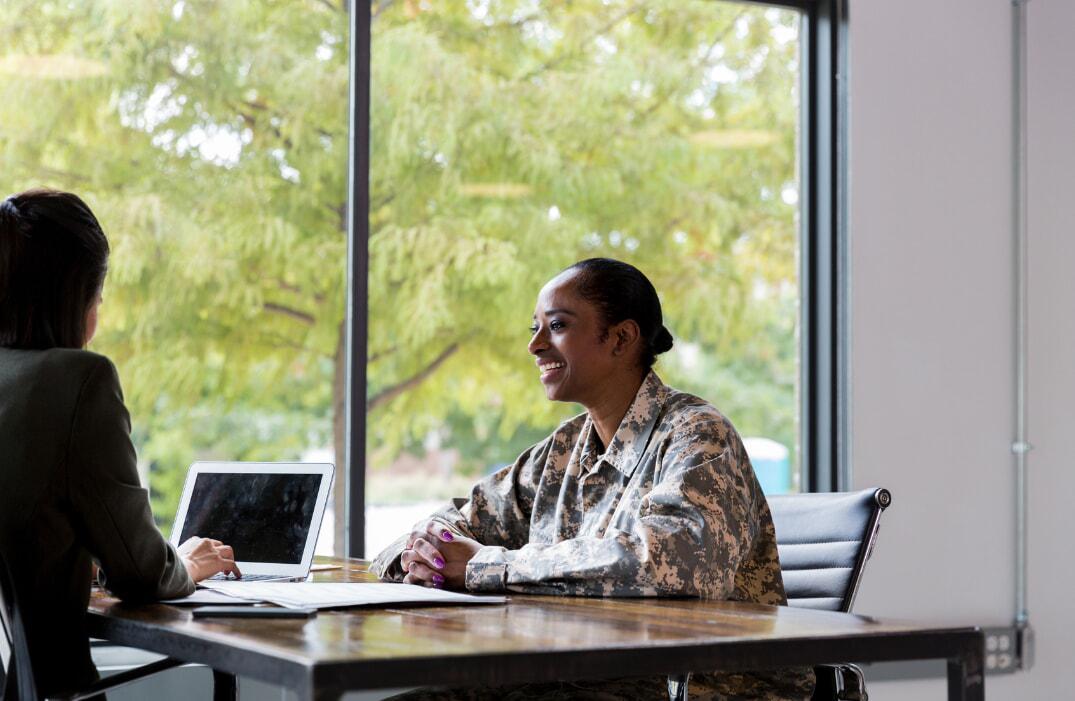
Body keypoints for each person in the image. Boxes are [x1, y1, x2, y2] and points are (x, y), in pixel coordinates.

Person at [370, 258, 813, 700]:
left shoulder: (697, 435)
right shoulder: (563, 450)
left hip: (703, 684)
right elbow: (453, 524)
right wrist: (424, 554)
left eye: (557, 326)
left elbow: (670, 565)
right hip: (580, 675)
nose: (536, 346)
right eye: (535, 329)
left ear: (621, 338)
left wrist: (485, 565)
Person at [0, 189, 241, 696]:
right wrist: (189, 565)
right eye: (99, 294)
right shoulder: (77, 380)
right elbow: (142, 574)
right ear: (74, 294)